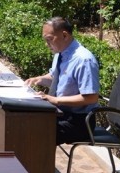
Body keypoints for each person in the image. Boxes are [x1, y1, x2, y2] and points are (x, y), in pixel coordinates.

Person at [24, 17, 100, 145]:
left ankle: (38, 159)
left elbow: (91, 98)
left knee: (35, 133)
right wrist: (39, 79)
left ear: (64, 35)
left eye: (49, 39)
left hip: (79, 122)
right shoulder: (60, 53)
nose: (46, 44)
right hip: (60, 114)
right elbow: (56, 78)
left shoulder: (83, 60)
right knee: (24, 122)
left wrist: (55, 100)